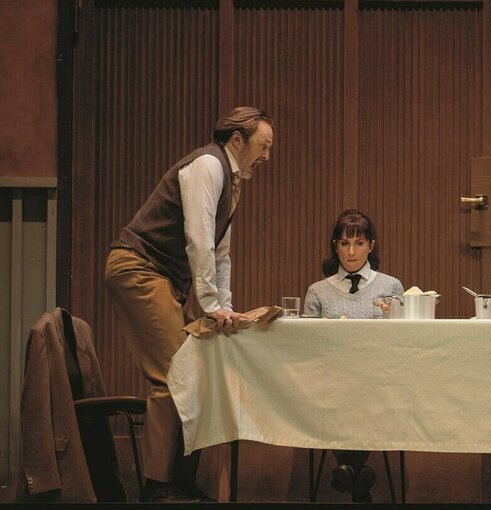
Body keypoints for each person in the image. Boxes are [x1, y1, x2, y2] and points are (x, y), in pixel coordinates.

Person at [104, 107, 273, 502]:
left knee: (193, 375)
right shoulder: (207, 166)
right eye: (263, 146)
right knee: (171, 376)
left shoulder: (232, 180)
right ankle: (158, 487)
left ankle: (179, 482)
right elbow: (198, 238)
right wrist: (210, 302)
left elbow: (221, 253)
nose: (267, 156)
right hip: (139, 267)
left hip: (165, 275)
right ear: (237, 140)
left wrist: (225, 308)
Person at [303, 209, 404, 503]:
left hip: (378, 380)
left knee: (366, 390)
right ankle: (357, 474)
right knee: (340, 391)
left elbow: (399, 343)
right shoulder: (318, 291)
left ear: (371, 246)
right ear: (335, 246)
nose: (351, 252)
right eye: (344, 243)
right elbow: (310, 346)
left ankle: (348, 467)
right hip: (332, 380)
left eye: (359, 244)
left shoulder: (390, 286)